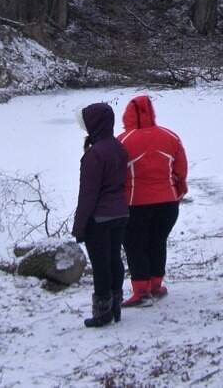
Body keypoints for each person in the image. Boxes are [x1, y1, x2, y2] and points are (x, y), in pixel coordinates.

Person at [116, 94, 188, 307]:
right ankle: (156, 285)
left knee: (135, 246)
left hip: (135, 203)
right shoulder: (170, 136)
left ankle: (141, 291)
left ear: (128, 115)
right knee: (157, 241)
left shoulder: (123, 141)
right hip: (167, 202)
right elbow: (181, 169)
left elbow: (116, 173)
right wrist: (179, 190)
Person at [73, 101, 129, 328]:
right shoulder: (119, 147)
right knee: (114, 258)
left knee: (101, 264)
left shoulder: (94, 155)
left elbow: (88, 195)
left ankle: (103, 311)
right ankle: (115, 305)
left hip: (100, 217)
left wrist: (79, 226)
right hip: (120, 213)